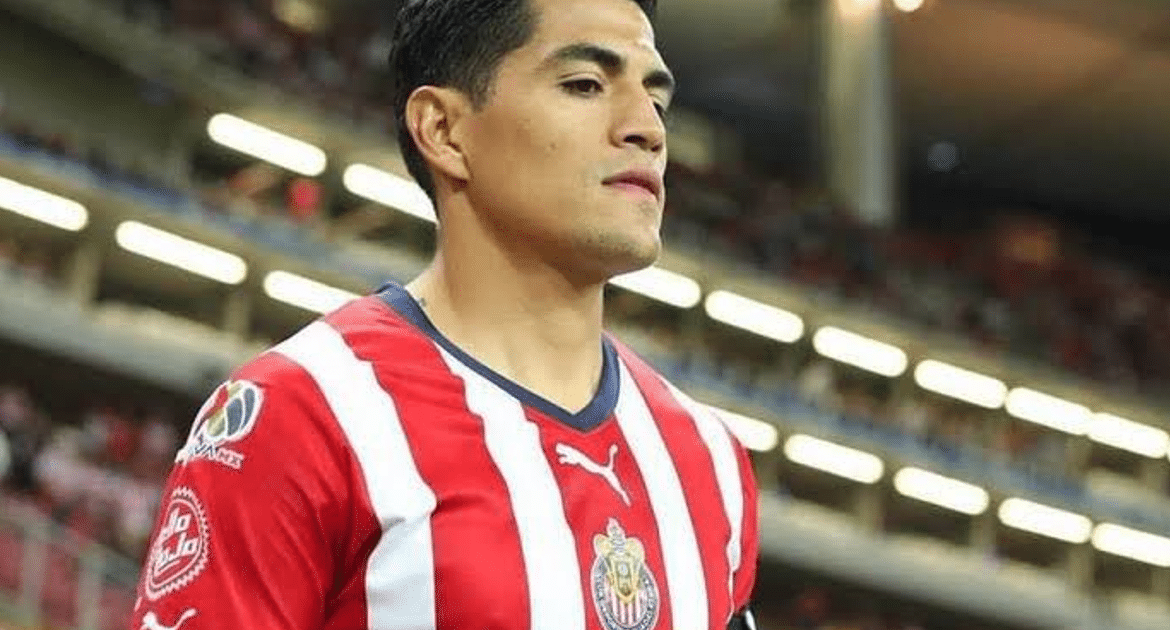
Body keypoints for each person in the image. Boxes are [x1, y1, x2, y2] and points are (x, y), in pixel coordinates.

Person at [129, 0, 760, 628]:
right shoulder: (302, 414)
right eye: (585, 84)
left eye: (657, 100)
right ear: (443, 130)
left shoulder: (711, 464)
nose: (646, 127)